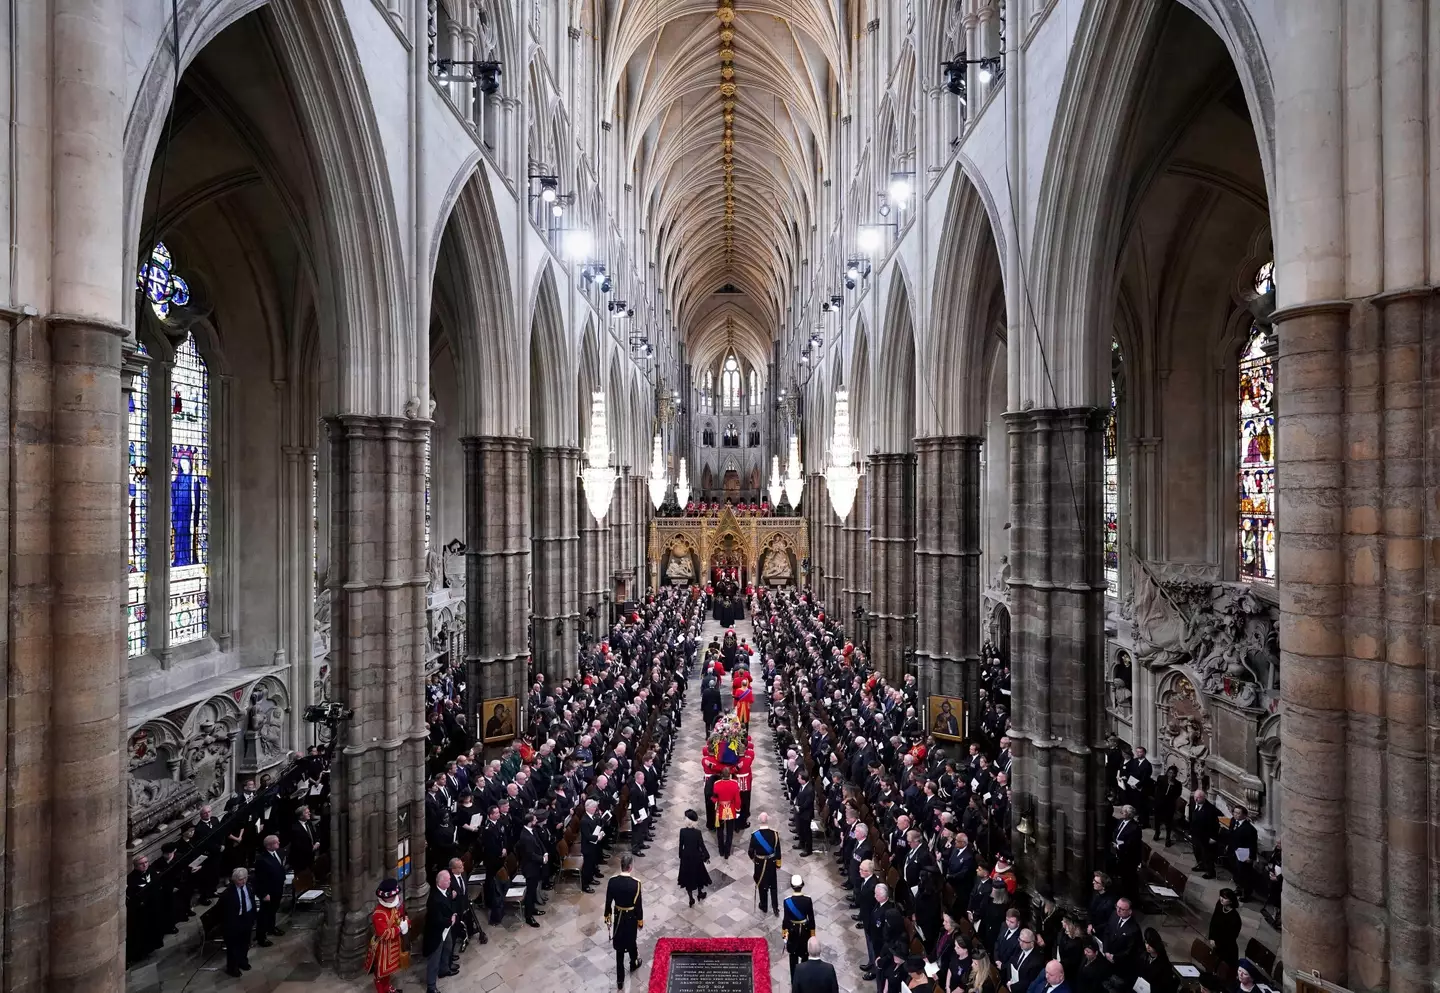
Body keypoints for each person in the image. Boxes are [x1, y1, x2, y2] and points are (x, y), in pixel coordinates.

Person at [604, 854, 645, 992]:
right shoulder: (636, 884)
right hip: (631, 918)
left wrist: (607, 918)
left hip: (618, 916)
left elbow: (608, 902)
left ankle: (620, 980)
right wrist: (640, 921)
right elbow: (638, 906)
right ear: (630, 867)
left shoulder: (612, 882)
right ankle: (633, 963)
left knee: (619, 949)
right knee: (631, 941)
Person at [364, 878, 409, 993]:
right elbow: (384, 933)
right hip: (383, 948)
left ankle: (387, 988)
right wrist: (399, 928)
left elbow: (398, 917)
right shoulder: (379, 913)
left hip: (393, 945)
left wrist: (405, 921)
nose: (395, 898)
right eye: (392, 896)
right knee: (380, 974)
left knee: (388, 972)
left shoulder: (394, 905)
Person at [219, 868, 258, 978]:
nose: (244, 881)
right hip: (234, 922)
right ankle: (232, 967)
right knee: (233, 946)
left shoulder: (249, 887)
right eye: (241, 879)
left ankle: (243, 962)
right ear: (234, 879)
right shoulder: (227, 893)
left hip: (247, 918)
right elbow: (221, 911)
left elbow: (251, 901)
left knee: (245, 943)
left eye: (245, 878)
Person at [423, 870, 457, 993]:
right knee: (434, 959)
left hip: (445, 929)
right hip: (436, 932)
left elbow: (447, 905)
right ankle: (431, 987)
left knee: (448, 946)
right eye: (448, 880)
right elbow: (437, 919)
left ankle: (444, 969)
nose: (450, 881)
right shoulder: (434, 899)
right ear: (441, 882)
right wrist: (450, 921)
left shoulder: (445, 891)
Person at [252, 834, 287, 945]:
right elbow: (259, 880)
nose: (279, 843)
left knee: (273, 910)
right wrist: (264, 894)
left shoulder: (278, 853)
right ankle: (261, 937)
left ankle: (271, 928)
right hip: (268, 891)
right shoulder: (262, 860)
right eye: (277, 842)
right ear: (269, 845)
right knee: (264, 914)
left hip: (278, 888)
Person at [781, 874, 816, 977]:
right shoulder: (808, 900)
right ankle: (803, 977)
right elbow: (811, 919)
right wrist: (812, 935)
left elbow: (786, 920)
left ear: (792, 886)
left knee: (793, 957)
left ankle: (794, 979)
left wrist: (784, 935)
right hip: (805, 931)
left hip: (792, 931)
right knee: (805, 956)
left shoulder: (787, 901)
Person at [749, 811, 783, 913]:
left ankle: (764, 906)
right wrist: (778, 864)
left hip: (759, 864)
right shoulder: (775, 834)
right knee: (773, 885)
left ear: (759, 821)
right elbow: (778, 851)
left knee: (762, 885)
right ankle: (775, 907)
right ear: (768, 821)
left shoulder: (755, 836)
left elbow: (750, 851)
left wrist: (755, 859)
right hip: (771, 862)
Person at [516, 811, 546, 927]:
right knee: (530, 892)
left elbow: (539, 843)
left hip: (536, 865)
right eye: (534, 820)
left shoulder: (532, 830)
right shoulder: (525, 836)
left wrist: (545, 853)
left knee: (533, 891)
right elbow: (529, 854)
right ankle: (528, 916)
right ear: (529, 822)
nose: (536, 821)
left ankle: (532, 909)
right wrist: (542, 859)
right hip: (530, 868)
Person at [677, 809, 712, 905]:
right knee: (699, 875)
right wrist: (706, 856)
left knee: (688, 877)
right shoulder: (697, 832)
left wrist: (681, 856)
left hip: (686, 857)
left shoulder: (682, 831)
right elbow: (701, 845)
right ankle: (700, 893)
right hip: (696, 857)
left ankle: (691, 898)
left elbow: (681, 845)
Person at [1227, 805, 1259, 901]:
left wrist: (1251, 857)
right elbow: (1231, 834)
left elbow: (1253, 844)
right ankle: (1239, 888)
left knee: (1244, 874)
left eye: (1238, 813)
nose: (1235, 815)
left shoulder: (1250, 829)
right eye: (1235, 812)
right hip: (1233, 852)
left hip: (1244, 854)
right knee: (1236, 871)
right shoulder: (1233, 821)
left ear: (1244, 815)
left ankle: (1246, 893)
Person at [934, 915, 972, 992]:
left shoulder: (968, 964)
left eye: (958, 947)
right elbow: (950, 969)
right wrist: (947, 986)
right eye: (955, 946)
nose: (955, 949)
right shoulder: (955, 954)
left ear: (965, 950)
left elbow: (962, 986)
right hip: (949, 986)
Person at [1188, 789, 1220, 878]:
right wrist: (1190, 831)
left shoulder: (1211, 809)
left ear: (1203, 798)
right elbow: (1191, 819)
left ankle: (1210, 872)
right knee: (1197, 851)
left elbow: (1215, 825)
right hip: (1195, 834)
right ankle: (1201, 865)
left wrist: (1214, 837)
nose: (1196, 799)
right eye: (1195, 797)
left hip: (1206, 836)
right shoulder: (1193, 804)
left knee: (1207, 855)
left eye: (1198, 798)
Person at [1207, 888, 1243, 968]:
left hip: (1227, 949)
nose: (1221, 899)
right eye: (1221, 896)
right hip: (1216, 943)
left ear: (1231, 901)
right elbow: (1213, 921)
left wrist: (1218, 944)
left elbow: (1230, 937)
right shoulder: (1219, 905)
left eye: (1225, 898)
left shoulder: (1235, 918)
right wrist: (1212, 937)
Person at [712, 769, 741, 857]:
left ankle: (721, 850)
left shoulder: (716, 784)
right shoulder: (735, 784)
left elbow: (714, 798)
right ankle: (727, 852)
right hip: (731, 810)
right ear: (730, 775)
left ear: (721, 775)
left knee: (720, 831)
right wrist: (737, 810)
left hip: (720, 810)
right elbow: (737, 800)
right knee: (729, 832)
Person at [1140, 928, 1177, 993]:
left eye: (1150, 944)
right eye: (1146, 943)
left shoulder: (1164, 964)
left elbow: (1163, 985)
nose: (1147, 946)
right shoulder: (1144, 954)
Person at [1151, 767, 1182, 845]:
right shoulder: (1161, 778)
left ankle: (1168, 838)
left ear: (1175, 774)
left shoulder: (1177, 784)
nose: (1171, 775)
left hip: (1169, 806)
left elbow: (1177, 795)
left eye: (1173, 773)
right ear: (1167, 772)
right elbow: (1157, 789)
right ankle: (1157, 833)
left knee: (1168, 823)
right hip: (1159, 804)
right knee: (1157, 820)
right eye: (1170, 772)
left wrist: (1172, 787)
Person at [793, 771, 815, 855]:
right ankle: (801, 844)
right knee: (800, 829)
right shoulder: (802, 785)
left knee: (806, 832)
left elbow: (808, 803)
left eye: (799, 778)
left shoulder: (810, 790)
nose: (797, 778)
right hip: (800, 812)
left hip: (806, 814)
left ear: (804, 780)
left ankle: (808, 850)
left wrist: (800, 808)